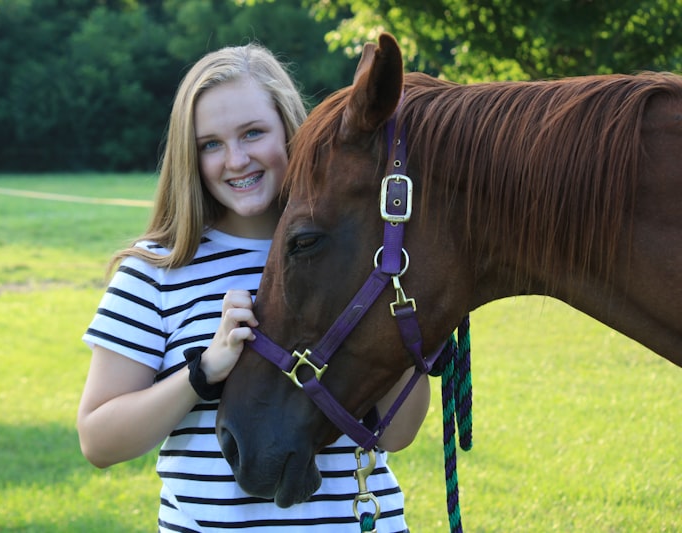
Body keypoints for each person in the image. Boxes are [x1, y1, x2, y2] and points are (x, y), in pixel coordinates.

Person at [76, 42, 432, 532]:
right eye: (211, 144)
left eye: (253, 133)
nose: (236, 160)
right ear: (190, 155)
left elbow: (399, 433)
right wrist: (202, 372)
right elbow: (98, 440)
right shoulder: (157, 270)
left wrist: (388, 304)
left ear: (290, 129)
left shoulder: (358, 253)